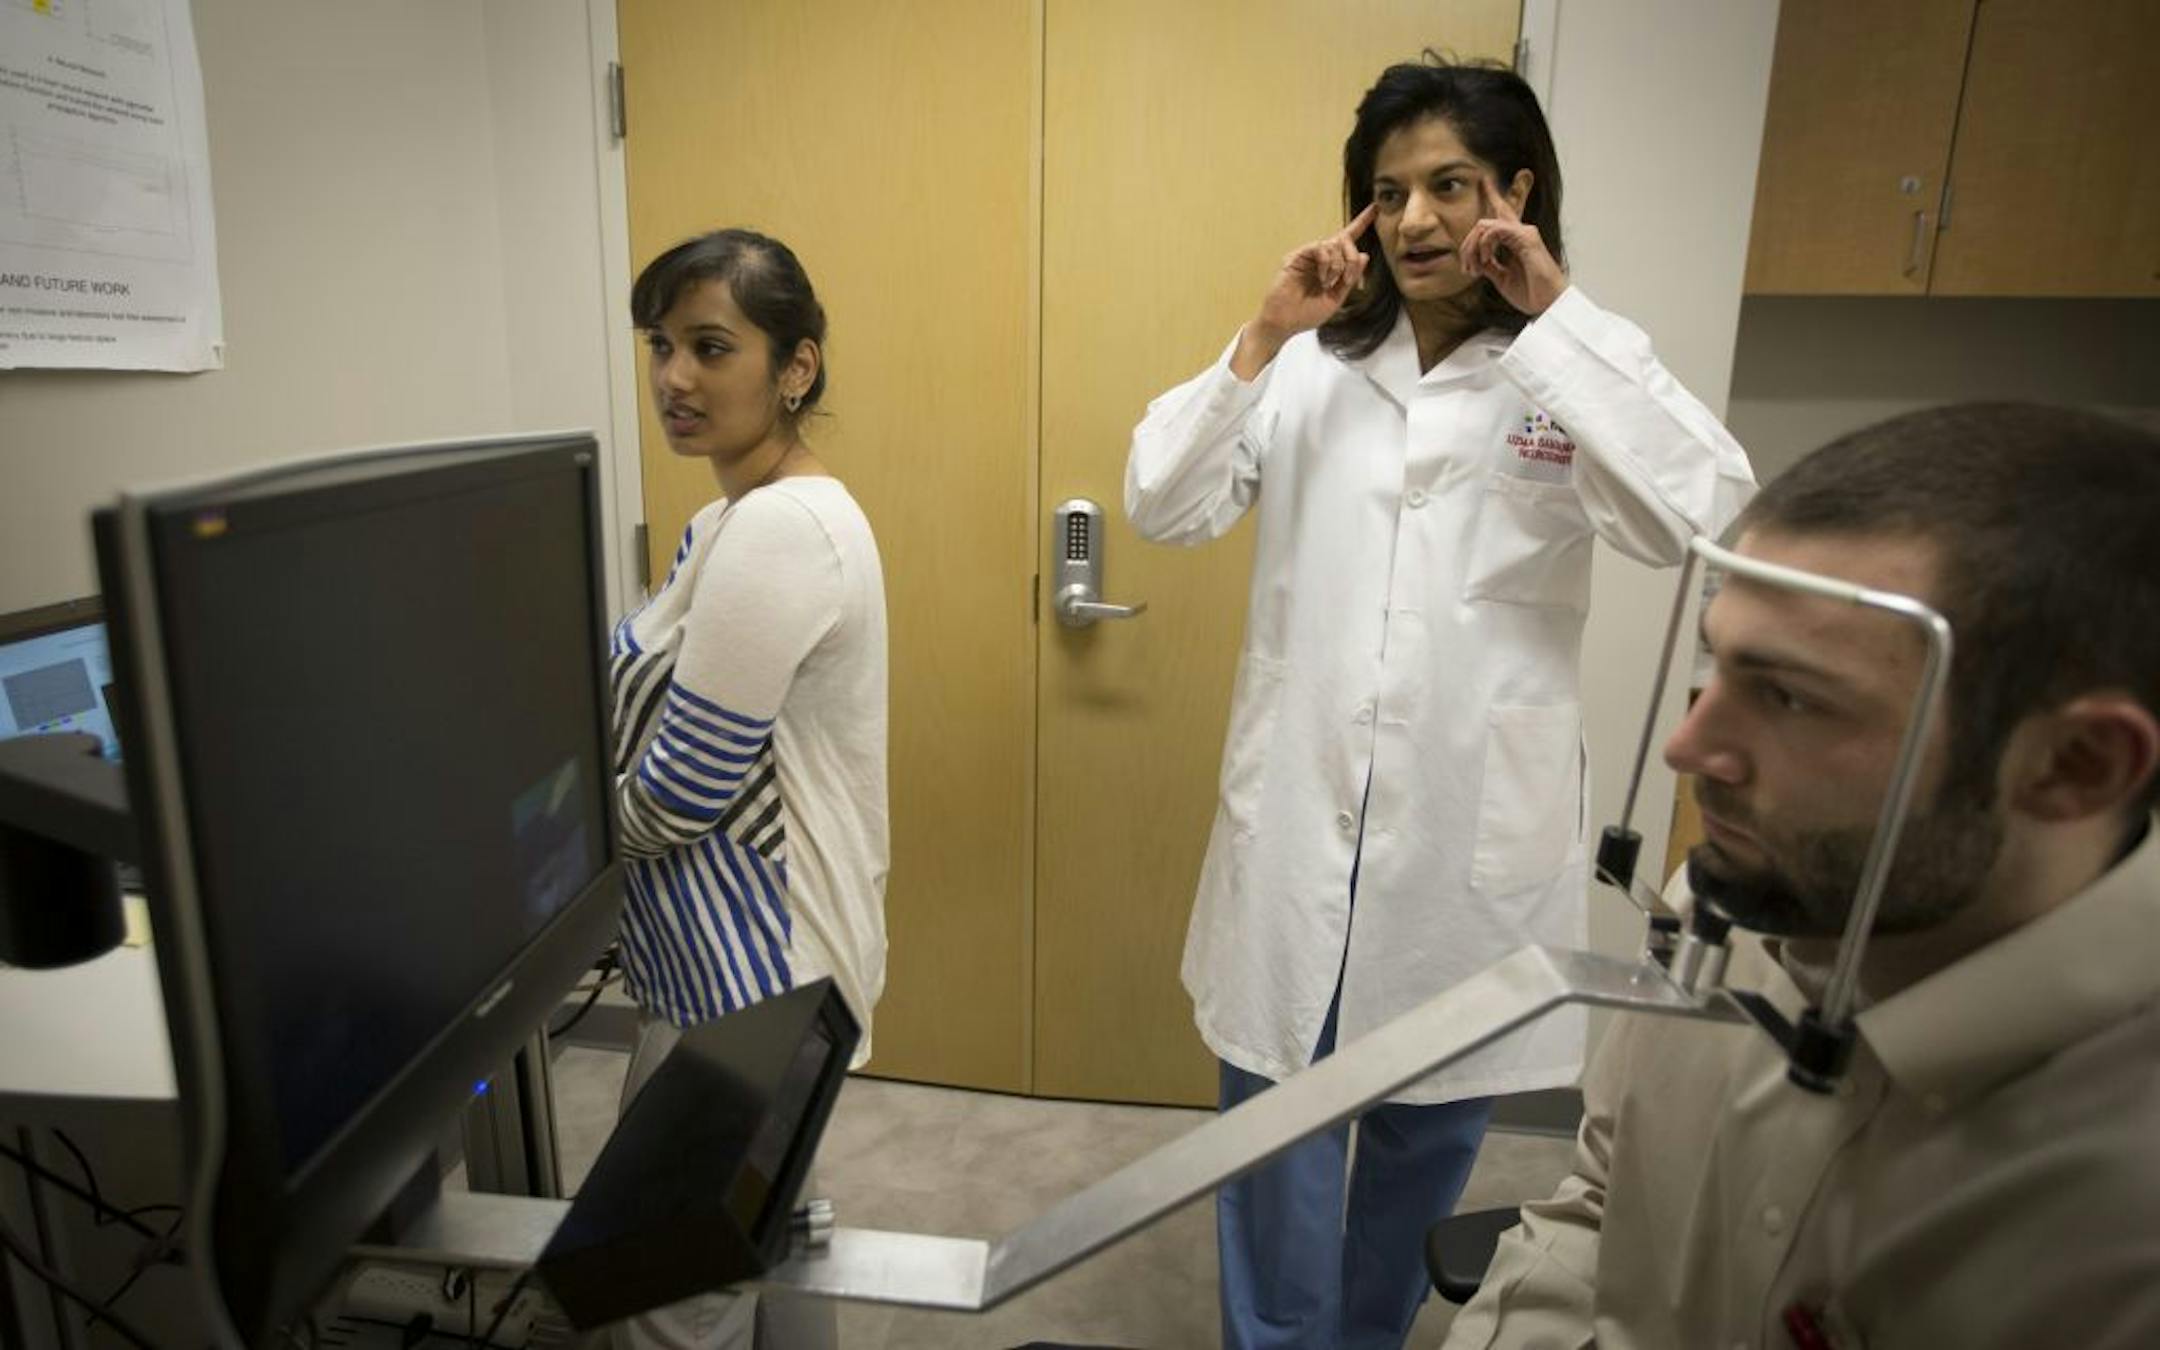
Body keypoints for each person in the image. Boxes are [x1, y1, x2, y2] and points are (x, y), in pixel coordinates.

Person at [1123, 54, 1757, 1350]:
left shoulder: (1574, 367)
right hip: (1301, 831)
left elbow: (1708, 508)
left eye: (1449, 186)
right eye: (1388, 191)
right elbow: (1160, 498)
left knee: (1422, 1144)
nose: (1413, 221)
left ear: (1515, 194)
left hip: (1467, 842)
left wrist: (1562, 319)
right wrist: (1258, 336)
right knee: (1276, 1144)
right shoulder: (1307, 367)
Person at [1444, 403, 2160, 1350]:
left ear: (2074, 768)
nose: (1687, 748)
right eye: (1719, 666)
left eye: (1788, 695)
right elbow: (1598, 1207)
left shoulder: (2122, 1224)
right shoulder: (1723, 914)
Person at [608, 228, 889, 1350]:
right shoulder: (734, 515)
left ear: (796, 366)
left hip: (749, 979)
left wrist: (551, 846)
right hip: (761, 972)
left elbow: (682, 789)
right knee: (766, 1235)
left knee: (666, 1284)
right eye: (660, 346)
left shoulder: (779, 529)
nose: (674, 379)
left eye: (711, 347)